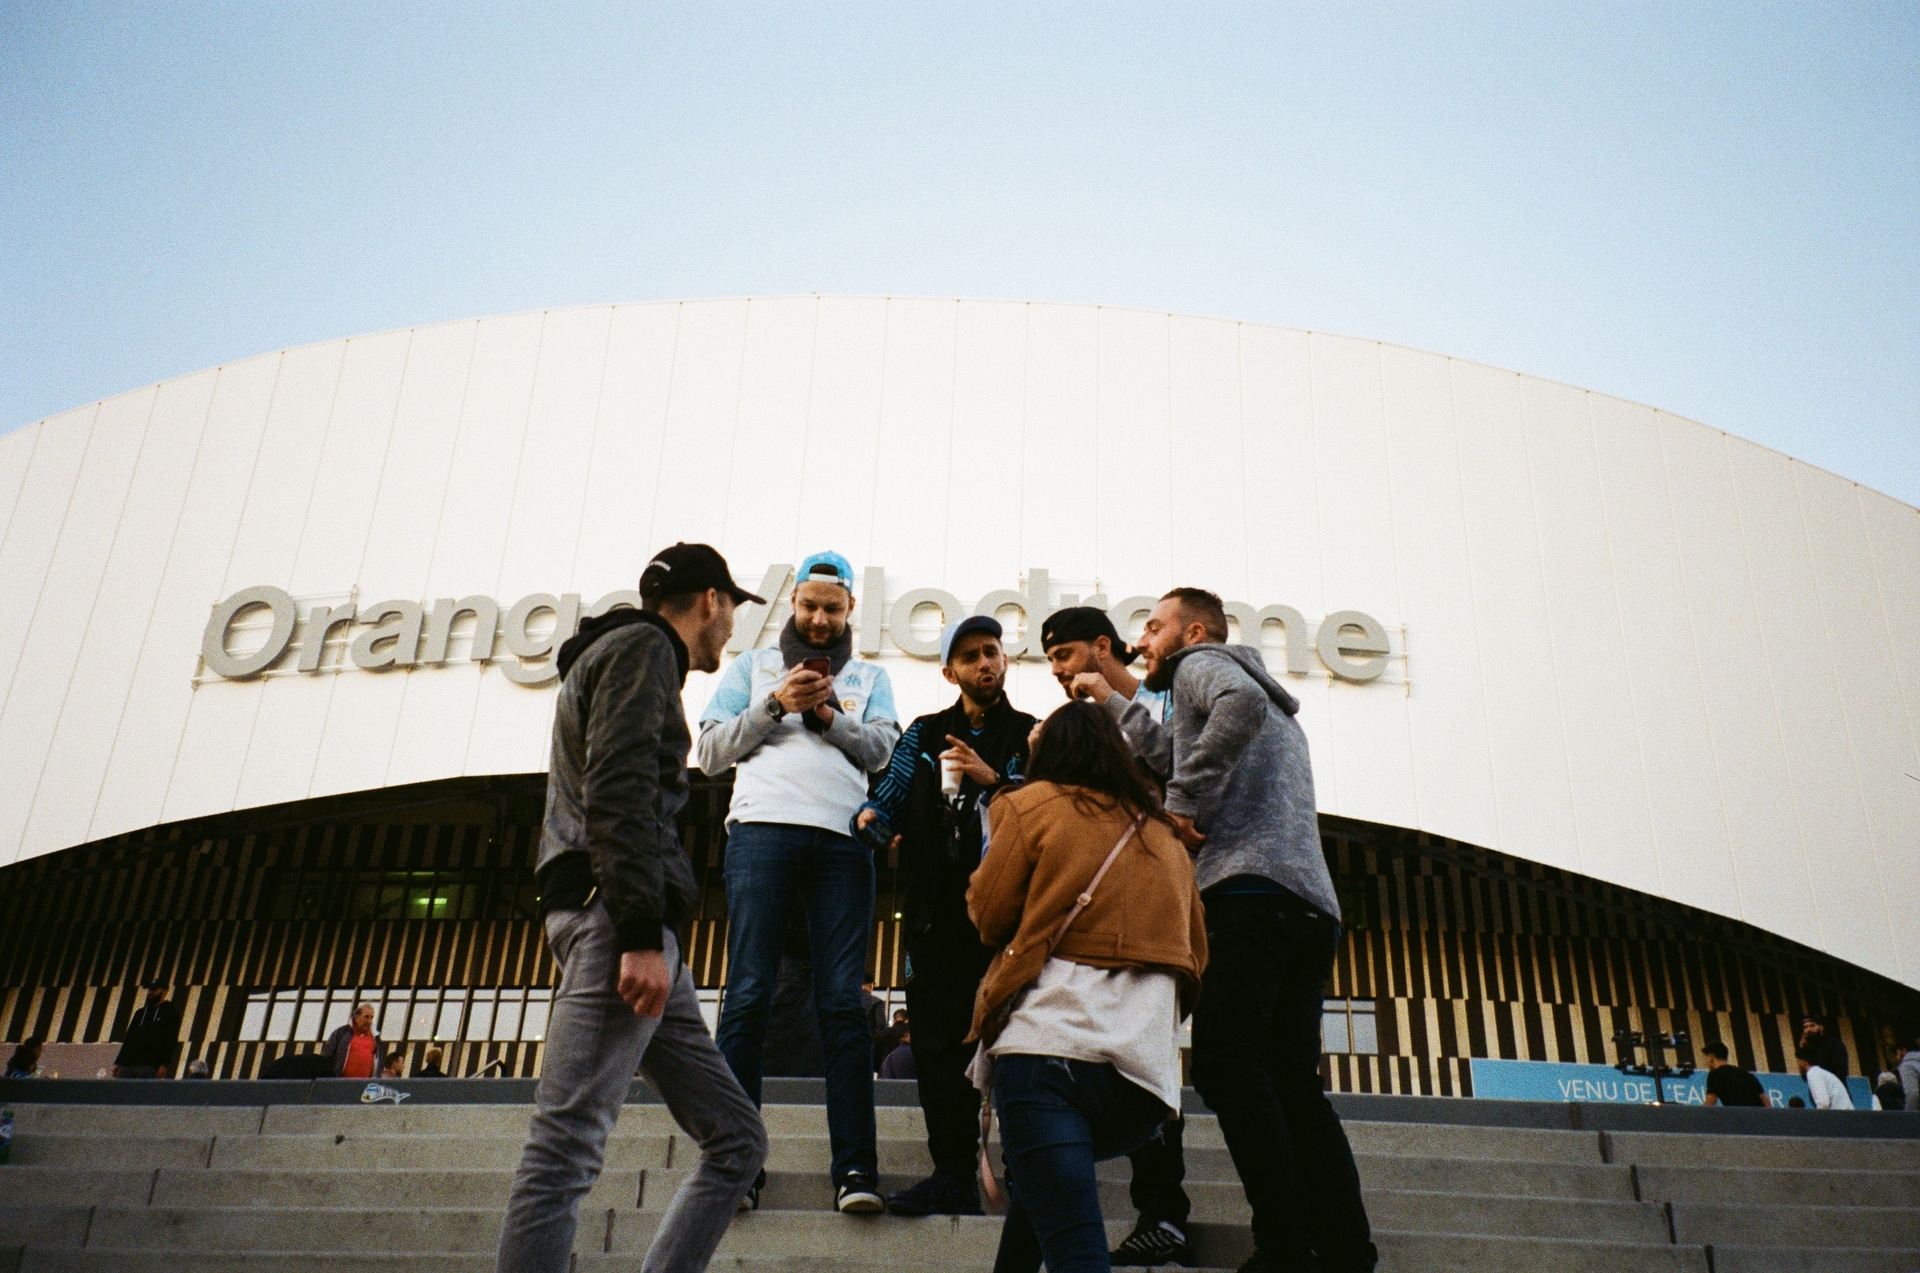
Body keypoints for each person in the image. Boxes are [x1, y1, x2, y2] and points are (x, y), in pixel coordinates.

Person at [496, 542, 770, 1273]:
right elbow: (621, 788)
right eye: (733, 609)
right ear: (711, 600)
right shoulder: (644, 649)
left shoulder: (620, 654)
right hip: (618, 918)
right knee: (566, 1145)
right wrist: (642, 934)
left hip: (627, 917)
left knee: (739, 1140)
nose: (731, 627)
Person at [1112, 587, 1377, 1273]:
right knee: (1291, 1080)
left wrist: (1178, 804)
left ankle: (1286, 1243)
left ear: (1193, 629)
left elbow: (1236, 710)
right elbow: (1177, 751)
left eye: (1153, 625)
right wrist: (1113, 700)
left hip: (1250, 891)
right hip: (1309, 902)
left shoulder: (1204, 663)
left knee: (1228, 1063)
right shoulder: (1253, 696)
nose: (1142, 638)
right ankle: (1346, 1249)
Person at [966, 699, 1208, 1273]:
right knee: (1040, 1207)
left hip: (1047, 1054)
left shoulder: (1030, 807)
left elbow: (988, 914)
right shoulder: (1165, 839)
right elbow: (1196, 955)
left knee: (1076, 1250)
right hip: (1139, 1079)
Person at [696, 550, 901, 1214]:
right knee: (749, 993)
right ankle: (735, 1165)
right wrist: (775, 704)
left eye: (832, 608)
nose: (819, 618)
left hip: (842, 841)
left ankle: (856, 1168)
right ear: (792, 605)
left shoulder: (871, 675)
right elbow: (708, 752)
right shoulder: (749, 668)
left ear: (849, 612)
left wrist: (830, 718)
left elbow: (884, 753)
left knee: (843, 1003)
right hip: (760, 831)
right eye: (809, 606)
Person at [857, 614, 1036, 1218]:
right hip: (936, 921)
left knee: (1019, 1047)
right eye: (971, 656)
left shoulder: (1032, 736)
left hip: (1012, 924)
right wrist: (873, 821)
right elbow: (883, 806)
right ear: (950, 671)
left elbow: (1053, 811)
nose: (985, 663)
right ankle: (953, 1172)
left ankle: (1031, 1174)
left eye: (993, 652)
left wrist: (995, 782)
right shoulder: (925, 732)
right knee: (935, 1048)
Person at [1042, 606, 1191, 1266]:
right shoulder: (1071, 722)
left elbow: (1187, 767)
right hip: (1087, 914)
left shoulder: (1164, 701)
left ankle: (1165, 1213)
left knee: (1148, 1052)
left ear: (1104, 647)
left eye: (1068, 653)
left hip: (1161, 901)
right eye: (1050, 659)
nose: (1058, 668)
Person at [114, 980, 181, 1079]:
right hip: (127, 1064)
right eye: (149, 989)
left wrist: (164, 1065)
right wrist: (118, 1062)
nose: (150, 992)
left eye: (154, 989)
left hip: (150, 1065)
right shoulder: (140, 1013)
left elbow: (171, 1041)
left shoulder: (171, 1014)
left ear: (164, 991)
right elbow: (128, 1039)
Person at [323, 1004, 385, 1079]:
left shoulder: (376, 1038)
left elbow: (379, 1062)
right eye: (366, 1017)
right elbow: (327, 1056)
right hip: (340, 1082)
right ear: (356, 1017)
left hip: (365, 1085)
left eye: (371, 1017)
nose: (369, 1021)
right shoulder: (342, 1033)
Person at [1699, 1042, 1768, 1107]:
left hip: (1738, 1117)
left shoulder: (1715, 1074)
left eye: (1706, 1058)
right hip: (1759, 1117)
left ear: (1711, 1057)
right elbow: (1766, 1102)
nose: (1705, 1062)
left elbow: (1710, 1104)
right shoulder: (1747, 1075)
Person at [1796, 1045, 1854, 1110]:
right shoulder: (1822, 1073)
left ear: (1803, 1062)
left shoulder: (1813, 1073)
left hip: (1841, 1116)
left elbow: (1823, 1103)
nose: (1798, 1066)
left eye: (1798, 1062)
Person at [1799, 1016, 1851, 1081]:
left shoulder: (1834, 1044)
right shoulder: (1807, 1048)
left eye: (1812, 1025)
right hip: (1816, 1089)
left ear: (1821, 1027)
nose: (1809, 1029)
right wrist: (1802, 1049)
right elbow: (1805, 1077)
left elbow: (1841, 1071)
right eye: (1805, 1027)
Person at [1899, 1038, 1920, 1113]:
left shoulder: (1907, 1065)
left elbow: (1912, 1093)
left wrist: (1908, 1116)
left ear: (1904, 1051)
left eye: (1897, 1052)